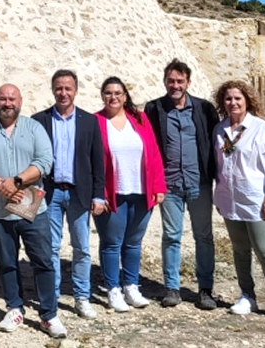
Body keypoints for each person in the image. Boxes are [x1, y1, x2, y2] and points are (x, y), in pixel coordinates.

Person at [0, 84, 67, 339]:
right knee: (7, 262)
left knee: (43, 261)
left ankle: (48, 315)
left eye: (12, 98)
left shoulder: (34, 128)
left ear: (20, 101)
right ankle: (14, 308)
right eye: (3, 98)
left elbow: (45, 161)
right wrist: (0, 185)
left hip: (32, 208)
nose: (7, 103)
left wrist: (17, 181)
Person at [213, 80, 265, 324]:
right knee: (240, 251)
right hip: (230, 200)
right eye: (228, 99)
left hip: (258, 200)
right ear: (223, 102)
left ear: (247, 100)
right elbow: (218, 163)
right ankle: (247, 296)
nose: (233, 103)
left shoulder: (261, 129)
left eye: (238, 98)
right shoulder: (220, 129)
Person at [144, 59, 221, 309]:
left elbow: (221, 141)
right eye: (171, 81)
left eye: (180, 81)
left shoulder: (204, 109)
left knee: (204, 237)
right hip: (169, 185)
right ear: (165, 81)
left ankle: (206, 290)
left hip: (199, 183)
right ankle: (172, 288)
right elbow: (148, 145)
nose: (175, 85)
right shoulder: (154, 108)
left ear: (188, 82)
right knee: (171, 236)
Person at [31, 69, 105, 320]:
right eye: (59, 88)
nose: (63, 93)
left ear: (76, 90)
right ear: (53, 90)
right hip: (50, 194)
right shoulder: (39, 120)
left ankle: (81, 297)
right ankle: (51, 297)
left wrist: (98, 195)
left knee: (82, 248)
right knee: (50, 248)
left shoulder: (89, 121)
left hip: (79, 194)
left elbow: (97, 161)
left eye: (68, 88)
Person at [94, 76, 166, 313]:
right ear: (102, 96)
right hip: (113, 193)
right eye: (108, 93)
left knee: (134, 242)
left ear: (125, 96)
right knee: (112, 243)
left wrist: (158, 187)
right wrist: (98, 193)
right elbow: (93, 161)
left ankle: (131, 286)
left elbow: (153, 153)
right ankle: (113, 289)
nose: (113, 97)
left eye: (117, 93)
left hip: (141, 190)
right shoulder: (96, 121)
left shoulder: (139, 118)